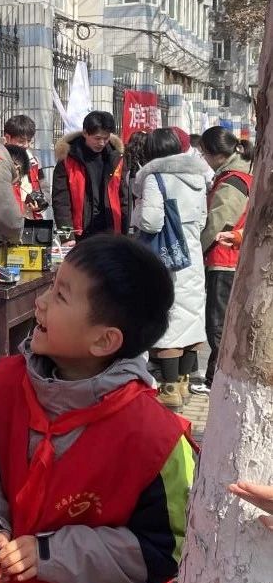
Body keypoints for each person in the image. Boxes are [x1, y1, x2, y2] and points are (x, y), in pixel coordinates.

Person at [0, 233, 194, 583]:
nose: (40, 302)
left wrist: (48, 553)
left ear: (104, 340)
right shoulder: (6, 386)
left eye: (60, 294)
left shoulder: (156, 437)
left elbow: (164, 551)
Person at [132, 128, 208, 411]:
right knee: (191, 315)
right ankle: (185, 384)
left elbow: (151, 222)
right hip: (192, 253)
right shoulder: (198, 177)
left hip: (165, 256)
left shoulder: (155, 177)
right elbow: (202, 219)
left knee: (170, 316)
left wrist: (138, 210)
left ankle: (170, 388)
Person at [195, 126, 253, 394]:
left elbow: (219, 222)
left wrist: (198, 249)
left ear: (216, 154)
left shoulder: (232, 181)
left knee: (218, 323)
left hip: (224, 258)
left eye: (204, 154)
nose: (204, 160)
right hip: (233, 257)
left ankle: (218, 379)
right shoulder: (243, 173)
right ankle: (215, 376)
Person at [52, 111, 127, 238]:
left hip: (111, 230)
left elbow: (123, 198)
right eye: (97, 138)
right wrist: (66, 236)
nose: (102, 143)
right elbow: (61, 201)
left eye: (106, 138)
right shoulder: (68, 159)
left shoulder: (116, 158)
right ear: (85, 133)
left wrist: (124, 233)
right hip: (80, 232)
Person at [2, 115, 50, 215]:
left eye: (29, 141)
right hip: (8, 218)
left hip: (31, 218)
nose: (26, 145)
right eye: (21, 141)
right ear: (7, 138)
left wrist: (40, 204)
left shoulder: (34, 161)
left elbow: (44, 188)